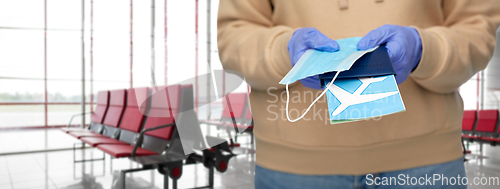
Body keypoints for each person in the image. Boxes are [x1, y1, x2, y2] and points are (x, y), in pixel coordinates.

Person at [217, 0, 500, 188]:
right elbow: (234, 38)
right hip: (292, 170)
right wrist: (284, 51)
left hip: (425, 168)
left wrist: (424, 49)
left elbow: (476, 29)